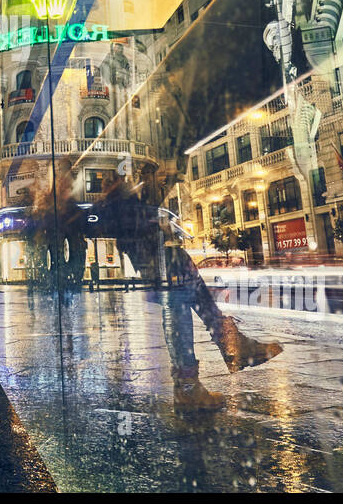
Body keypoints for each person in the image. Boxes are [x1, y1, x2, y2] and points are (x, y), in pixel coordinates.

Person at [96, 172, 283, 414]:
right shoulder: (122, 204)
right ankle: (214, 363)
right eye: (126, 178)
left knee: (181, 300)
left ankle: (213, 363)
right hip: (160, 265)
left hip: (162, 263)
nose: (133, 180)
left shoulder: (124, 203)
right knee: (178, 306)